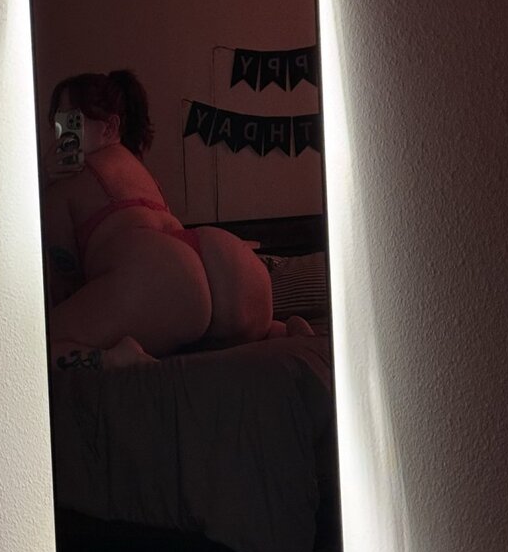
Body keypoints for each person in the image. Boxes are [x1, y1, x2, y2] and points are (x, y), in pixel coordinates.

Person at [42, 69, 312, 369]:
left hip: (164, 279)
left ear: (110, 127)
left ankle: (113, 357)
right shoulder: (142, 174)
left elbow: (66, 284)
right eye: (57, 121)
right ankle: (278, 331)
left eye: (72, 121)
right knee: (202, 327)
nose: (62, 134)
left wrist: (44, 181)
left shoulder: (65, 181)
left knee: (39, 341)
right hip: (232, 267)